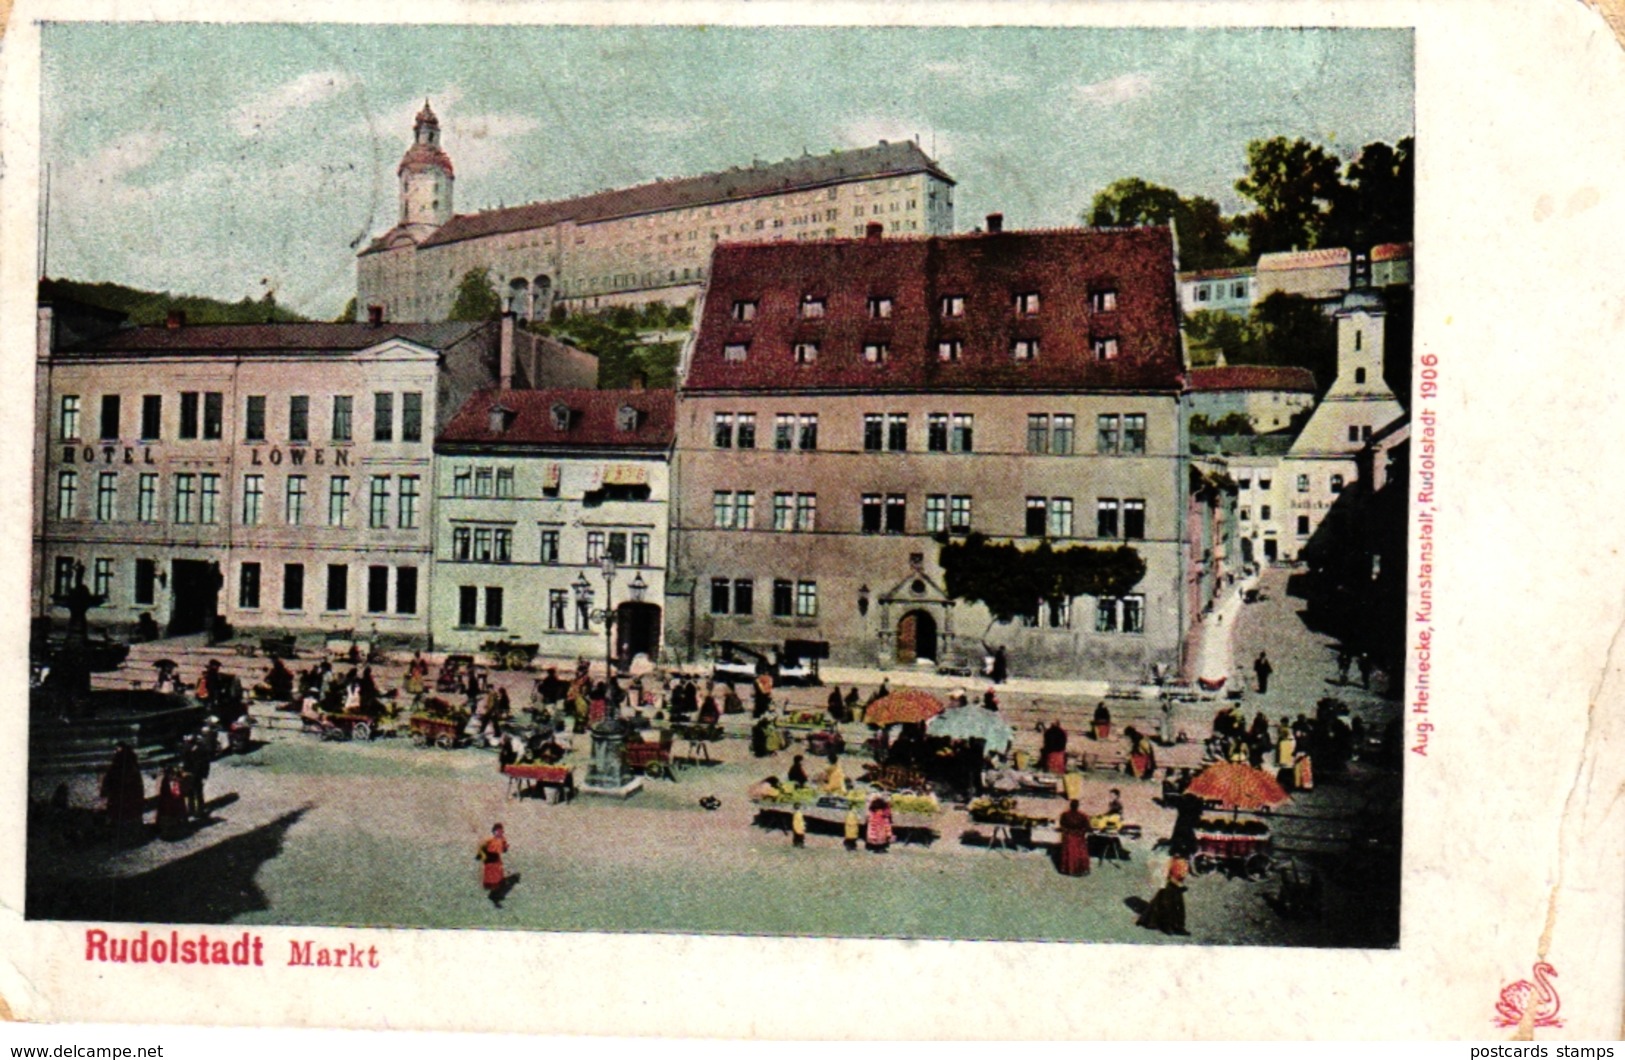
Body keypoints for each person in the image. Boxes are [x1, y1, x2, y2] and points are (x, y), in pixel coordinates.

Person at [100, 743, 145, 846]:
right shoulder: (132, 764)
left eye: (117, 750)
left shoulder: (119, 765)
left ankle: (121, 836)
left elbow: (109, 778)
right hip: (127, 796)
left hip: (121, 795)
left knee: (121, 815)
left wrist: (105, 790)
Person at [1138, 854, 1190, 935]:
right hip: (1169, 886)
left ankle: (1178, 927)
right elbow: (1164, 874)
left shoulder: (1183, 862)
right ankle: (1168, 926)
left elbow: (1182, 875)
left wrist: (1180, 883)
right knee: (1167, 906)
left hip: (1175, 886)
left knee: (1178, 907)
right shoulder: (1171, 861)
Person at [477, 824, 511, 906]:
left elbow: (504, 849)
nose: (500, 833)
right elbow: (482, 850)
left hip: (496, 863)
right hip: (490, 863)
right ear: (494, 831)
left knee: (498, 881)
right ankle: (494, 897)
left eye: (501, 831)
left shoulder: (502, 840)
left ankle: (495, 897)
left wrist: (505, 847)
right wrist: (482, 856)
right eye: (498, 831)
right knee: (493, 881)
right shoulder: (489, 841)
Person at [1057, 798, 1092, 876]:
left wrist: (1067, 831)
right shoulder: (1083, 816)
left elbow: (1062, 825)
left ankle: (1067, 869)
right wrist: (1080, 832)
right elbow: (1087, 827)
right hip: (1078, 837)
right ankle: (1080, 869)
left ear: (1070, 805)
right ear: (1078, 806)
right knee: (1079, 853)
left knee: (1069, 853)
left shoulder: (1065, 814)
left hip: (1068, 837)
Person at [182, 734, 212, 818]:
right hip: (198, 774)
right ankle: (200, 810)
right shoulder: (202, 748)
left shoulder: (186, 748)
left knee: (191, 792)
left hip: (190, 773)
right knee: (198, 793)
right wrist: (205, 775)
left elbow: (184, 761)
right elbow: (206, 763)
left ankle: (191, 810)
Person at [155, 766, 187, 840]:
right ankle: (168, 830)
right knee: (168, 816)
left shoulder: (168, 781)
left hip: (167, 803)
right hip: (168, 803)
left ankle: (168, 829)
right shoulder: (167, 781)